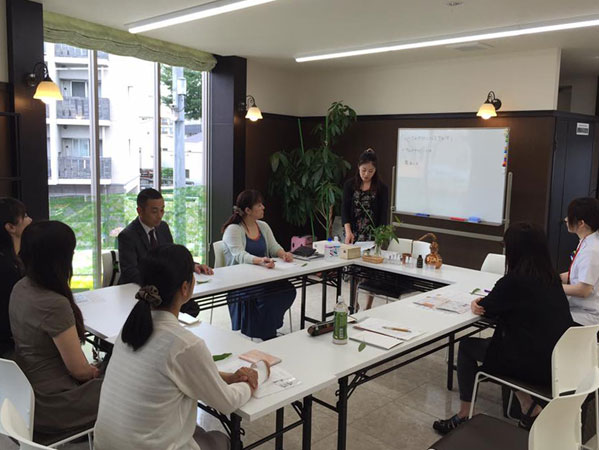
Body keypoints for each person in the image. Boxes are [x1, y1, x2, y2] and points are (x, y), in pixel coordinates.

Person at [94, 244, 256, 450]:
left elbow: (180, 371)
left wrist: (228, 377)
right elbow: (228, 402)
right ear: (185, 288)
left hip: (105, 444)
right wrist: (254, 377)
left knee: (194, 430)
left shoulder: (129, 330)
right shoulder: (184, 345)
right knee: (221, 439)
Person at [432, 222, 573, 435]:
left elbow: (486, 308)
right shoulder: (551, 278)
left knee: (468, 347)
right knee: (504, 346)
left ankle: (464, 414)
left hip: (532, 363)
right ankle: (528, 406)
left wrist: (476, 303)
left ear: (514, 249)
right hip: (557, 360)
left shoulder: (514, 281)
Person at [9, 221, 102, 442]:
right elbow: (79, 371)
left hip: (24, 393)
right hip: (53, 403)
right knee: (128, 384)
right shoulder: (54, 303)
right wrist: (95, 372)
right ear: (59, 259)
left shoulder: (21, 287)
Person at [118, 188, 212, 315]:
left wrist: (192, 266)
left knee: (191, 307)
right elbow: (130, 272)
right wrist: (160, 284)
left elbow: (172, 257)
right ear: (140, 211)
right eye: (154, 211)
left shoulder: (162, 227)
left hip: (163, 288)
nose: (160, 216)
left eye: (162, 210)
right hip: (139, 292)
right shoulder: (128, 235)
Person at [222, 189, 296, 340]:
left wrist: (283, 254)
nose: (263, 207)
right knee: (267, 298)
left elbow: (273, 246)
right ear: (248, 210)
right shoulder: (233, 229)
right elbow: (240, 255)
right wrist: (261, 260)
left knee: (288, 290)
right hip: (241, 281)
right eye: (259, 205)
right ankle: (267, 334)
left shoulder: (263, 226)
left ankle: (266, 329)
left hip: (264, 277)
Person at [342, 148, 389, 310]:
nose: (366, 174)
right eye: (363, 170)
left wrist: (380, 238)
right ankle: (353, 302)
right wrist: (348, 231)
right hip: (353, 233)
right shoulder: (350, 185)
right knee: (353, 271)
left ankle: (369, 305)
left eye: (370, 171)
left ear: (375, 171)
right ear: (358, 167)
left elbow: (383, 215)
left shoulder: (381, 188)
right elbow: (344, 210)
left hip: (372, 235)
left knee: (370, 272)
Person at [0, 198, 31, 357]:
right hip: (11, 349)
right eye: (24, 216)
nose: (30, 220)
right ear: (11, 227)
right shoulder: (8, 268)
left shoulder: (14, 260)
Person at [561, 197, 599, 325]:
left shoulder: (591, 250)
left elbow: (583, 290)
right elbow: (578, 273)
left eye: (569, 216)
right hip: (578, 309)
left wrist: (553, 287)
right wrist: (553, 277)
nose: (566, 219)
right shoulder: (587, 241)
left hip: (586, 315)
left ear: (581, 223)